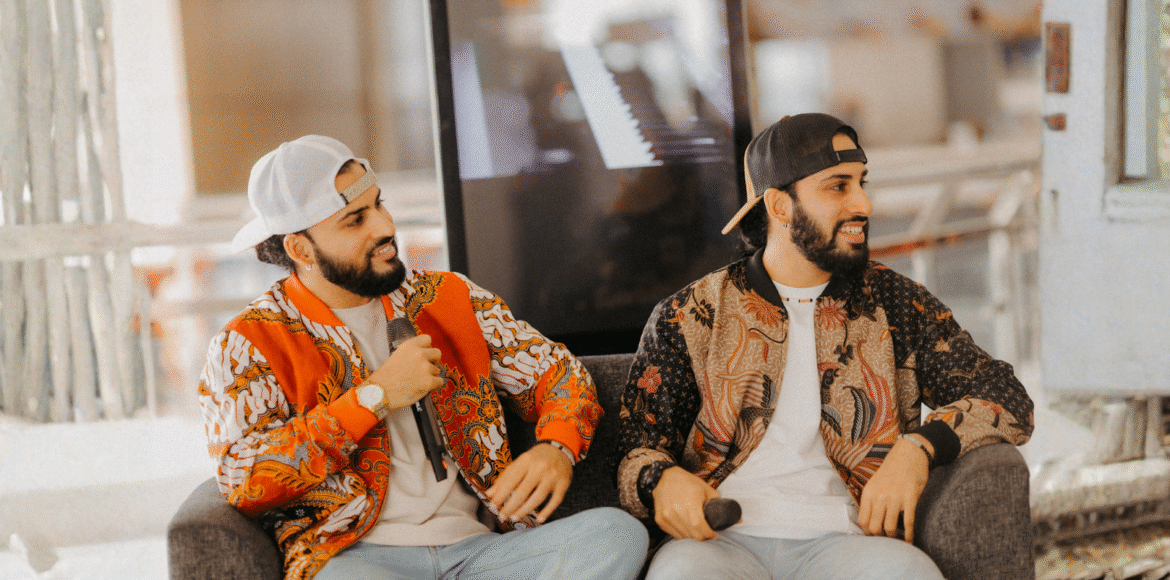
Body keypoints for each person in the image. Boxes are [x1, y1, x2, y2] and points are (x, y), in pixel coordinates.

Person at [198, 135, 648, 580]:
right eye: (356, 220)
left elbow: (559, 373)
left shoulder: (449, 297)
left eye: (379, 204)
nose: (385, 227)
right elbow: (243, 478)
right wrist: (374, 397)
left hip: (483, 555)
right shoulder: (247, 343)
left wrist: (557, 447)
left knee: (618, 534)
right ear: (300, 249)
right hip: (356, 559)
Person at [612, 113, 1034, 579]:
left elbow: (1007, 395)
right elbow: (637, 447)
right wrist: (662, 480)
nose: (864, 204)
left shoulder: (895, 303)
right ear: (779, 206)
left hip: (849, 544)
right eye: (838, 187)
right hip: (716, 545)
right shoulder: (691, 313)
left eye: (861, 183)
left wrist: (919, 448)